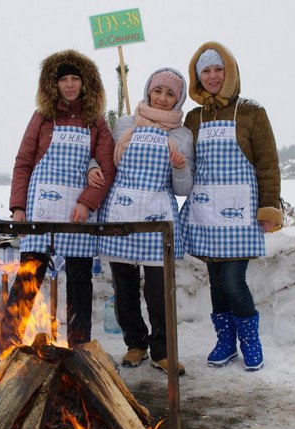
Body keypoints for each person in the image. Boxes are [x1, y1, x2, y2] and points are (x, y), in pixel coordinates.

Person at [0, 49, 116, 354]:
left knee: (79, 281)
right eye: (63, 79)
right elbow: (24, 161)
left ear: (86, 83)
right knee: (29, 276)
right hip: (40, 207)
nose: (70, 84)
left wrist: (88, 203)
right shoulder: (42, 118)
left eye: (75, 78)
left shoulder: (96, 123)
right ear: (54, 84)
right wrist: (18, 207)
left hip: (77, 211)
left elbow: (106, 167)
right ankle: (7, 345)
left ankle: (79, 351)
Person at [179, 42, 283, 371]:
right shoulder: (193, 117)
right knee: (215, 281)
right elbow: (189, 165)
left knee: (234, 282)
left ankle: (250, 341)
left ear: (230, 73)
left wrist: (269, 209)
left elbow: (268, 164)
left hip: (240, 213)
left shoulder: (252, 112)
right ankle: (225, 340)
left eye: (218, 69)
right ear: (198, 76)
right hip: (207, 213)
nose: (212, 76)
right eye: (205, 70)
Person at [97, 68, 194, 375]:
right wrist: (91, 169)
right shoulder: (126, 123)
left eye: (171, 94)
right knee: (124, 288)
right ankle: (135, 343)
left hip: (158, 217)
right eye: (158, 91)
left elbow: (183, 188)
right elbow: (103, 158)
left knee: (158, 290)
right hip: (121, 213)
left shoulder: (181, 135)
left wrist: (179, 168)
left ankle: (162, 351)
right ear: (148, 91)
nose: (163, 99)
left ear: (178, 100)